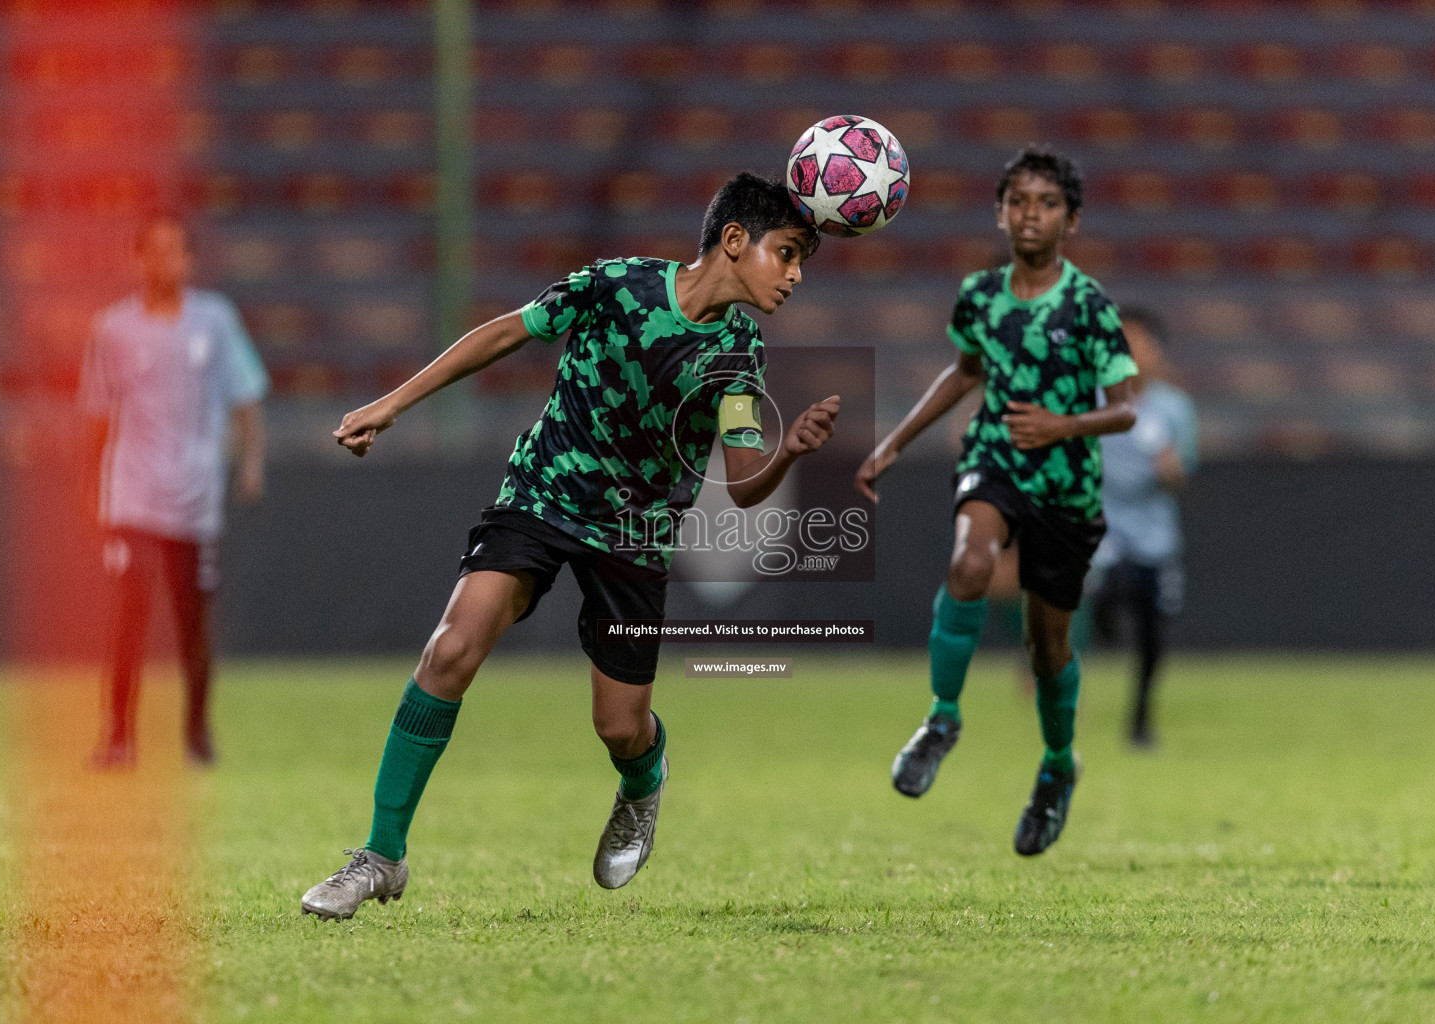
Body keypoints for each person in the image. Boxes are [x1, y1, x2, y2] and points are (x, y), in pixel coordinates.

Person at [300, 172, 839, 920]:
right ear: (735, 241)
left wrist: (791, 451)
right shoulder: (617, 285)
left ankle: (643, 778)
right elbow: (506, 331)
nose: (795, 274)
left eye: (802, 260)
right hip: (543, 496)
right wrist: (391, 404)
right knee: (451, 651)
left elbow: (744, 483)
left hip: (636, 537)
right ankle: (379, 855)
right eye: (787, 252)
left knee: (618, 725)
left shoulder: (740, 355)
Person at [855, 146, 1139, 856]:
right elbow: (965, 372)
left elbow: (1125, 409)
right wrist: (895, 442)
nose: (1029, 214)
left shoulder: (1089, 304)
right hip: (995, 460)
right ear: (1000, 212)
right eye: (1018, 201)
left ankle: (1055, 767)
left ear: (1070, 220)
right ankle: (942, 718)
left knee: (1047, 650)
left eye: (1045, 203)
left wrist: (1062, 425)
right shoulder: (980, 295)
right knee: (970, 563)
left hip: (1067, 485)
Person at [80, 215, 268, 768]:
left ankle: (196, 736)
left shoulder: (214, 321)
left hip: (195, 498)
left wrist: (252, 460)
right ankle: (118, 737)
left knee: (192, 621)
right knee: (129, 613)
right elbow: (95, 416)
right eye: (154, 253)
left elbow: (246, 396)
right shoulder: (112, 329)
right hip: (132, 496)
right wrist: (93, 487)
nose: (165, 263)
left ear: (188, 260)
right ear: (137, 260)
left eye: (175, 253)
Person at [1087, 307, 1197, 750]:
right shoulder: (1088, 400)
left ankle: (1140, 720)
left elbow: (1180, 475)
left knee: (1153, 631)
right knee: (1114, 579)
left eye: (1138, 344)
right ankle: (1103, 609)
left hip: (1155, 533)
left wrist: (1170, 468)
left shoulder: (1173, 409)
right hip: (1101, 523)